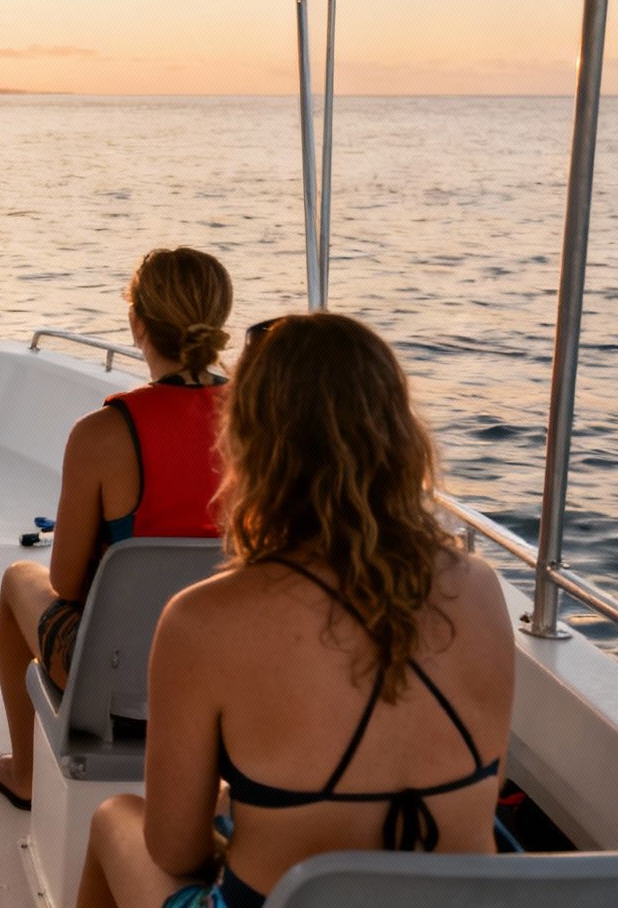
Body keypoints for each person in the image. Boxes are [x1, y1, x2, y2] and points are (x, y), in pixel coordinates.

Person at [76, 313, 513, 908]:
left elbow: (177, 852)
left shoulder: (204, 618)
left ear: (250, 442)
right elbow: (485, 791)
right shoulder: (481, 588)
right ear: (399, 434)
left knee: (115, 819)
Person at [0, 247, 232, 811]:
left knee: (20, 578)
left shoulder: (103, 433)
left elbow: (66, 584)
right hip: (236, 681)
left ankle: (25, 773)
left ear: (136, 322)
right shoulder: (265, 427)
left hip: (120, 687)